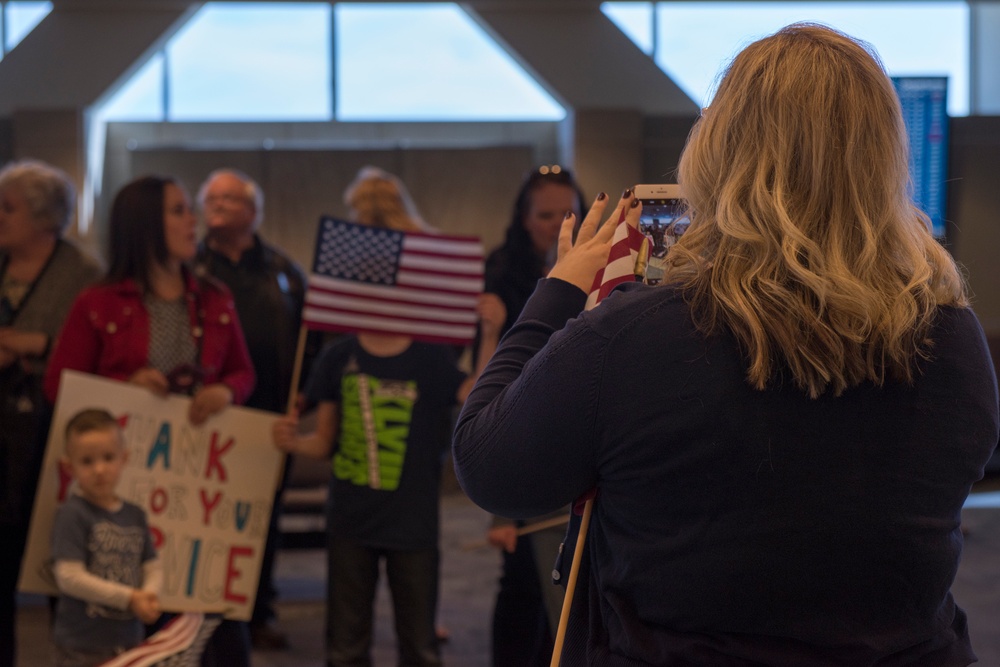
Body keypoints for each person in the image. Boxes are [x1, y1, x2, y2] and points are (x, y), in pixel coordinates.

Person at [453, 23, 1000, 665]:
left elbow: (490, 465)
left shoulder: (633, 336)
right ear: (883, 159)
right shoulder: (952, 336)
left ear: (718, 150)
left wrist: (555, 293)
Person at [272, 166, 506, 667]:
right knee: (346, 643)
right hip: (350, 520)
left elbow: (473, 393)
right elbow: (323, 441)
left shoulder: (427, 358)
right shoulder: (340, 357)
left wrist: (489, 335)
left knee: (419, 643)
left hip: (412, 522)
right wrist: (291, 439)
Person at [43, 174, 256, 665]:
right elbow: (60, 386)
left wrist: (227, 390)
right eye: (179, 210)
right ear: (145, 225)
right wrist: (121, 393)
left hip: (196, 491)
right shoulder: (98, 304)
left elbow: (243, 372)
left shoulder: (214, 298)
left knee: (212, 633)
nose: (193, 220)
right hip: (122, 489)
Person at [194, 167, 310, 651]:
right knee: (204, 512)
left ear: (253, 211)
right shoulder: (192, 270)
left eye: (228, 199)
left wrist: (305, 390)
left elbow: (310, 335)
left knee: (260, 517)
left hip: (269, 414)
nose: (215, 206)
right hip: (208, 414)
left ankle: (257, 610)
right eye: (210, 199)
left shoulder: (281, 271)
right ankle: (205, 610)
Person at [0, 159, 103, 667]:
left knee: (60, 562)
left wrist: (34, 344)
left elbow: (97, 351)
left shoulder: (83, 275)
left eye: (8, 208)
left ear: (44, 218)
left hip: (52, 436)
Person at [482, 165, 586, 666]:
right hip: (519, 417)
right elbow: (487, 378)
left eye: (568, 213)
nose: (556, 223)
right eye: (546, 215)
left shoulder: (608, 266)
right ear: (525, 219)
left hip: (578, 423)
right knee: (522, 576)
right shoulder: (501, 272)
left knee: (574, 576)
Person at [51, 408, 163, 667]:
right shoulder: (72, 514)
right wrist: (129, 598)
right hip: (81, 645)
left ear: (124, 459)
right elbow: (69, 577)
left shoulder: (135, 514)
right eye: (87, 461)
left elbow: (152, 565)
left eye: (109, 457)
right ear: (70, 466)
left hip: (128, 640)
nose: (99, 469)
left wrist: (147, 595)